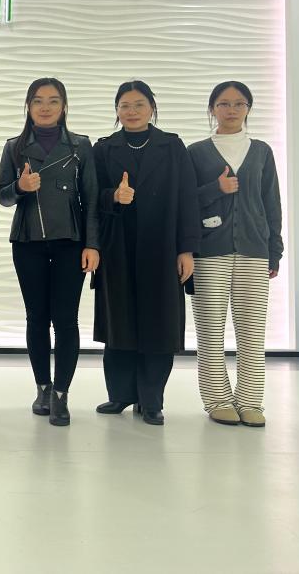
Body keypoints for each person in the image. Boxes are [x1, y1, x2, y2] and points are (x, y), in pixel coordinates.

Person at [93, 80, 200, 426]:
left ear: (152, 108)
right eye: (124, 105)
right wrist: (113, 196)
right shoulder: (104, 148)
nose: (132, 111)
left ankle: (151, 400)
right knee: (119, 322)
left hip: (162, 246)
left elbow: (188, 198)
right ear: (116, 110)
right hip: (118, 247)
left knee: (159, 324)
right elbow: (90, 198)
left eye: (139, 104)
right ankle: (121, 394)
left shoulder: (172, 146)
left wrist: (186, 249)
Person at [0, 77, 99, 426]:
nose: (45, 107)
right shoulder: (14, 147)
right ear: (28, 106)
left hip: (71, 241)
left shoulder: (81, 146)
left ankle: (61, 394)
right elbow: (3, 196)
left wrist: (93, 245)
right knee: (36, 318)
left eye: (53, 101)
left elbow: (92, 200)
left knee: (66, 320)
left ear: (64, 107)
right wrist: (20, 186)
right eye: (38, 100)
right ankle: (42, 387)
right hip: (28, 241)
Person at [188, 81, 282, 428]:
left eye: (239, 104)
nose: (231, 110)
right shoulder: (196, 152)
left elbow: (271, 203)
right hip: (209, 251)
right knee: (210, 331)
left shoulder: (262, 151)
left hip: (254, 250)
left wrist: (275, 251)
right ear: (212, 109)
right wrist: (217, 188)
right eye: (224, 104)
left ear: (248, 109)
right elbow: (185, 202)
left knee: (252, 333)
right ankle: (217, 399)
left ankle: (251, 401)